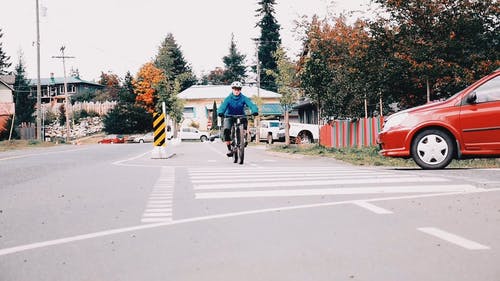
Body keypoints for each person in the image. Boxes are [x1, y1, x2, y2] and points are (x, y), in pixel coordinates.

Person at [217, 81, 259, 157]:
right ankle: (229, 148)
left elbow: (251, 105)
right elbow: (223, 106)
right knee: (226, 131)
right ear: (232, 89)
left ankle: (244, 138)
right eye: (235, 89)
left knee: (244, 122)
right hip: (229, 116)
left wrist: (254, 111)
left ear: (240, 90)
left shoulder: (243, 98)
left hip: (241, 115)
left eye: (238, 89)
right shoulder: (228, 98)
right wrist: (220, 112)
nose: (236, 91)